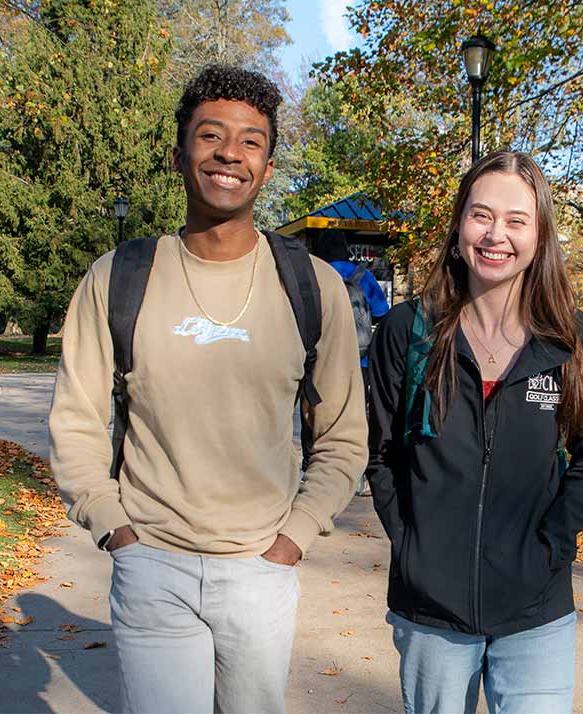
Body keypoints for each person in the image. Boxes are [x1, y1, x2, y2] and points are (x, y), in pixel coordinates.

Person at [49, 65, 367, 714]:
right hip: (152, 567)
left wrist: (292, 541)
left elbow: (343, 437)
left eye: (251, 141)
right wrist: (117, 534)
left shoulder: (313, 287)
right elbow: (76, 423)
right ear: (179, 154)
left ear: (269, 166)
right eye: (211, 135)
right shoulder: (119, 278)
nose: (230, 153)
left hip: (260, 569)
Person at [365, 152, 583, 714]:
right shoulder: (408, 334)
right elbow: (381, 454)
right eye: (481, 215)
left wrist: (549, 547)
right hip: (431, 611)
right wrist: (412, 544)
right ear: (459, 227)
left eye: (516, 220)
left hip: (537, 609)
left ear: (539, 235)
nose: (496, 234)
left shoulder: (572, 343)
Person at [308, 229, 389, 495]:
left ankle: (311, 470)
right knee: (356, 415)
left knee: (313, 412)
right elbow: (381, 313)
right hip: (359, 359)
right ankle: (357, 475)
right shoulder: (361, 276)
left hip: (317, 358)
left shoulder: (313, 272)